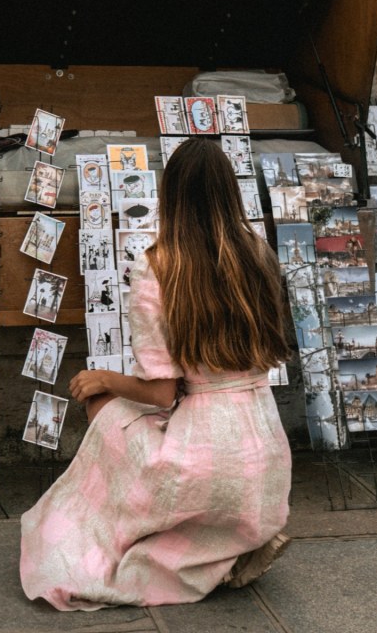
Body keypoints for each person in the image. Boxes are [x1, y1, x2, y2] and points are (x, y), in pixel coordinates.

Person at [20, 137, 292, 610]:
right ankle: (229, 545)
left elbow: (162, 392)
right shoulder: (260, 254)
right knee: (136, 414)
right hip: (265, 461)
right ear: (231, 192)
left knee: (102, 405)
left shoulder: (160, 265)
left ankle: (142, 538)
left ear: (169, 194)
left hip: (203, 460)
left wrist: (103, 379)